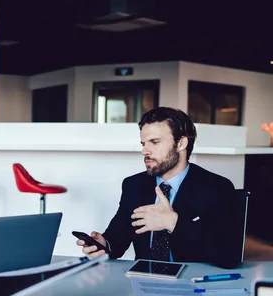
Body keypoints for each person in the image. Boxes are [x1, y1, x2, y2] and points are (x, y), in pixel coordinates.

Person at [77, 107, 239, 269]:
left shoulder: (216, 187)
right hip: (143, 283)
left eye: (154, 142)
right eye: (143, 144)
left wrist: (173, 223)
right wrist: (104, 244)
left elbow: (228, 256)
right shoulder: (133, 185)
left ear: (181, 143)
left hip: (192, 285)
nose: (144, 151)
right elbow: (117, 239)